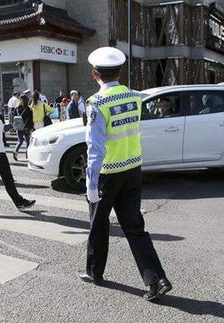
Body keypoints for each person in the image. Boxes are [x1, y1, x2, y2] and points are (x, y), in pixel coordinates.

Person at [77, 47, 171, 301]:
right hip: (132, 169)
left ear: (95, 73)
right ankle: (156, 279)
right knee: (135, 227)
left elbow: (95, 147)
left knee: (98, 224)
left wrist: (91, 182)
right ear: (120, 71)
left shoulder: (96, 103)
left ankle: (94, 272)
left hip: (108, 173)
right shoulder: (134, 96)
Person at [13, 94, 34, 161]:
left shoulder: (16, 109)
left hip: (19, 127)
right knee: (28, 142)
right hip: (27, 127)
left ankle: (15, 152)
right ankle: (28, 155)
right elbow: (31, 118)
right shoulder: (29, 109)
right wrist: (31, 126)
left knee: (20, 141)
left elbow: (13, 118)